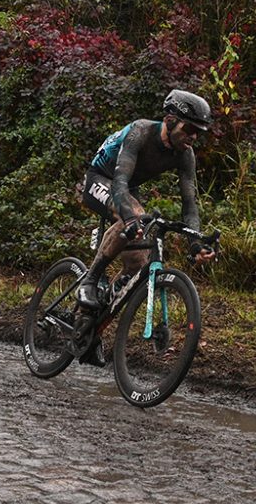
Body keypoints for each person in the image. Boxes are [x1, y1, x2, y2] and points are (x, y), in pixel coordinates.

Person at [75, 89, 218, 364]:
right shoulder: (141, 132)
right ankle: (91, 279)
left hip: (128, 188)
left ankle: (92, 324)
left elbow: (190, 205)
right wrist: (130, 217)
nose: (193, 136)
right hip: (101, 179)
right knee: (136, 217)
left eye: (199, 132)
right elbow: (119, 182)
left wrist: (196, 243)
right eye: (189, 128)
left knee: (137, 263)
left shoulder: (185, 154)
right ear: (169, 119)